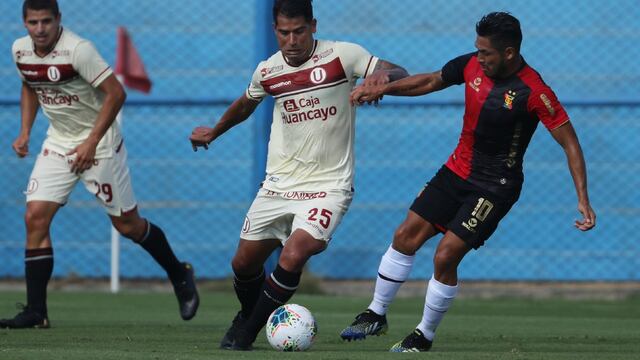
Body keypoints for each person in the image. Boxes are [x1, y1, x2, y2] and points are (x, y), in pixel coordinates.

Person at [339, 12, 596, 352]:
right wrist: (384, 88)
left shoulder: (534, 91)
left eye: (485, 52)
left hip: (494, 186)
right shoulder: (472, 66)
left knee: (445, 256)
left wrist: (583, 198)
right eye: (477, 49)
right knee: (404, 236)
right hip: (456, 171)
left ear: (508, 53)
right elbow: (430, 81)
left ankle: (423, 336)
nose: (479, 57)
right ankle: (375, 314)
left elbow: (570, 142)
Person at [189, 0, 408, 351]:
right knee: (243, 264)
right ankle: (251, 316)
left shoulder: (343, 55)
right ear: (275, 30)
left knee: (293, 254)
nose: (292, 40)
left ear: (313, 26)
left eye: (299, 31)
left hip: (328, 186)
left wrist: (385, 77)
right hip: (279, 184)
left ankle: (245, 334)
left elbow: (398, 71)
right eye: (284, 32)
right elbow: (247, 103)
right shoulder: (268, 70)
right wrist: (215, 131)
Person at [0, 0, 199, 329]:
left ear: (58, 20)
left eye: (46, 21)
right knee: (35, 216)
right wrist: (24, 131)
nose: (40, 29)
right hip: (59, 142)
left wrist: (91, 141)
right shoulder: (20, 51)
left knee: (128, 226)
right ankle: (37, 312)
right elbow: (29, 85)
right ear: (23, 23)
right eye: (33, 22)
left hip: (101, 144)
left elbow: (116, 93)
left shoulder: (78, 50)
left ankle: (180, 274)